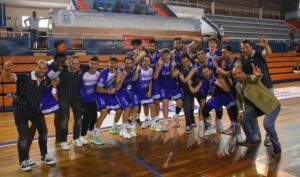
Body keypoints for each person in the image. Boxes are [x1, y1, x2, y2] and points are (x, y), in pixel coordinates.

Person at [2, 60, 55, 171]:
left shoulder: (46, 80)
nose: (42, 70)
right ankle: (23, 161)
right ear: (35, 67)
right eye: (40, 68)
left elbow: (49, 89)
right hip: (21, 111)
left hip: (36, 111)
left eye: (44, 68)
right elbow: (7, 77)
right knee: (24, 136)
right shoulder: (25, 77)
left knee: (44, 132)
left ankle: (44, 155)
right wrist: (6, 69)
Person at [233, 66, 281, 158]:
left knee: (268, 125)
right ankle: (252, 139)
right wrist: (240, 111)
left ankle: (277, 149)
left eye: (239, 73)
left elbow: (254, 79)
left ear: (243, 73)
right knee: (242, 118)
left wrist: (257, 76)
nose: (237, 75)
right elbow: (238, 99)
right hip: (258, 107)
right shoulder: (237, 86)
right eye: (235, 74)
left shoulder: (249, 79)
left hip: (271, 105)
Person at [241, 37, 273, 146]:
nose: (245, 49)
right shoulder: (243, 59)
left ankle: (269, 136)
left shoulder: (259, 54)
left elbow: (268, 53)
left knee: (269, 112)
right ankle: (256, 135)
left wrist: (266, 45)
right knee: (252, 111)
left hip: (266, 87)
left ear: (251, 47)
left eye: (246, 47)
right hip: (255, 89)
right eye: (243, 48)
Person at [58, 56, 89, 150]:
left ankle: (76, 137)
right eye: (73, 63)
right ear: (69, 63)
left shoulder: (83, 68)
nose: (75, 66)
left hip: (76, 97)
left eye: (77, 63)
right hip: (64, 97)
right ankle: (63, 141)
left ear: (80, 64)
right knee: (65, 119)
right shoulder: (62, 69)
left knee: (79, 117)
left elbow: (95, 66)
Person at [92, 57, 123, 144]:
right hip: (100, 95)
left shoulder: (118, 72)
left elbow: (116, 88)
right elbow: (98, 89)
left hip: (108, 95)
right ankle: (95, 136)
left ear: (117, 64)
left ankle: (114, 127)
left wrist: (121, 79)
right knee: (104, 113)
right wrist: (108, 91)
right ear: (108, 63)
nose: (112, 65)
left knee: (120, 110)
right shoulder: (104, 73)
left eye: (114, 63)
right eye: (111, 63)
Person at [153, 48, 183, 131]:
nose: (165, 56)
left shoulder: (174, 63)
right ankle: (165, 124)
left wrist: (173, 67)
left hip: (173, 85)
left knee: (180, 103)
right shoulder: (159, 63)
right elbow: (155, 77)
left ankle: (175, 116)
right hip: (163, 87)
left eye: (167, 54)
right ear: (161, 56)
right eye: (163, 54)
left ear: (169, 55)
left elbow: (173, 75)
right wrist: (158, 66)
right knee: (165, 103)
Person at [136, 39, 161, 130]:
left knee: (156, 102)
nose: (151, 47)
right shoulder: (144, 54)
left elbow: (168, 54)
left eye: (153, 45)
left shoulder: (159, 53)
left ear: (156, 46)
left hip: (156, 79)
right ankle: (147, 120)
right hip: (145, 79)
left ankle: (156, 120)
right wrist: (138, 55)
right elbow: (135, 62)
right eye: (149, 45)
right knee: (145, 103)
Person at [132, 55, 160, 131]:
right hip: (136, 92)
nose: (147, 62)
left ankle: (153, 123)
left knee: (151, 105)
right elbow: (134, 80)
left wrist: (150, 90)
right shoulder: (139, 69)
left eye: (148, 61)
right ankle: (133, 127)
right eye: (145, 61)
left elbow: (150, 80)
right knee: (135, 108)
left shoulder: (151, 69)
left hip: (145, 92)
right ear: (142, 62)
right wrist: (137, 72)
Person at [115, 57, 139, 138]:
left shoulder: (133, 69)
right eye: (126, 63)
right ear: (124, 63)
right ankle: (123, 130)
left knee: (135, 107)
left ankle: (132, 128)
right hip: (119, 92)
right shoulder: (120, 71)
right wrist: (122, 78)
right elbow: (117, 87)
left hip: (127, 91)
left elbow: (134, 80)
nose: (128, 65)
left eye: (129, 63)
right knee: (127, 109)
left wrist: (136, 73)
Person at [79, 56, 101, 144]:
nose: (93, 66)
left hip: (93, 99)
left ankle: (91, 130)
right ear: (89, 63)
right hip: (83, 99)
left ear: (98, 65)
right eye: (91, 63)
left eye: (95, 64)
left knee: (94, 116)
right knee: (86, 117)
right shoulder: (83, 73)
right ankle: (82, 135)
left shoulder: (98, 74)